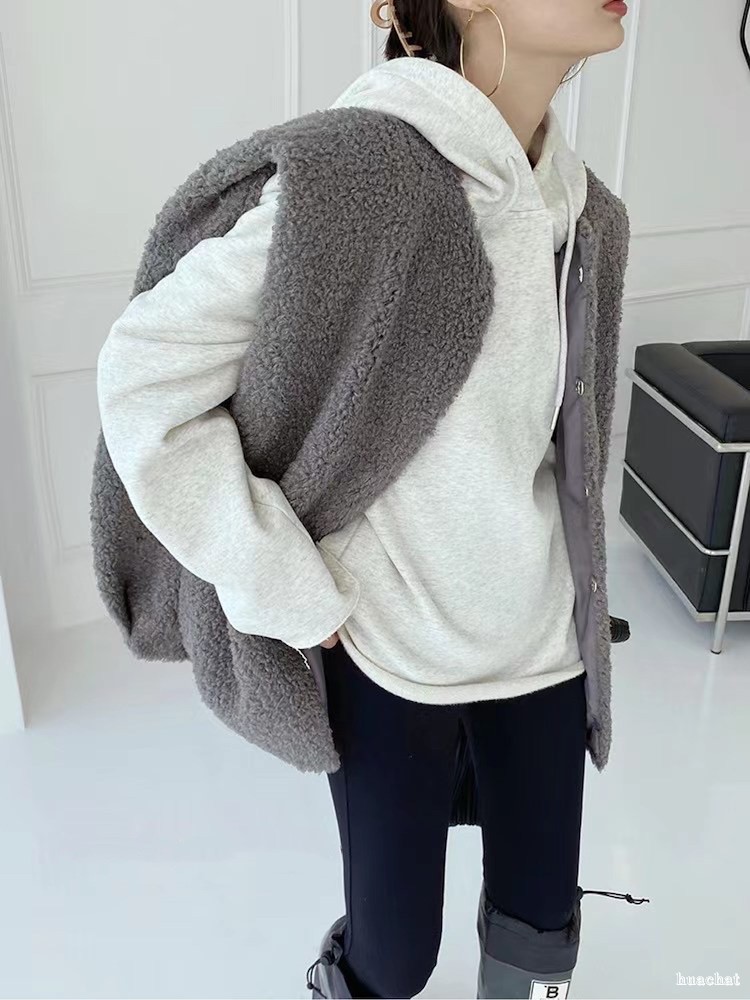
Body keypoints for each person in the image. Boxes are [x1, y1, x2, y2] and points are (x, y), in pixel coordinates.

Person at [96, 1, 638, 996]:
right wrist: (281, 582)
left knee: (542, 928)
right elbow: (144, 376)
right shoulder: (358, 185)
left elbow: (564, 450)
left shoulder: (587, 211)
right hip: (387, 646)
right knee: (394, 956)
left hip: (541, 639)